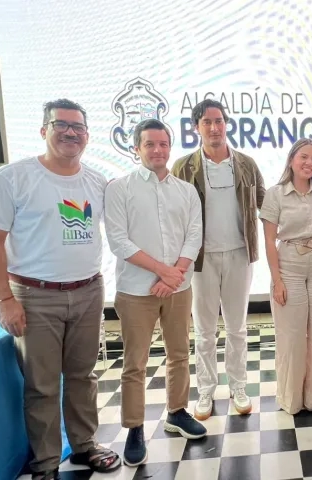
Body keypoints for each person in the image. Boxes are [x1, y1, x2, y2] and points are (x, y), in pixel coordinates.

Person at [0, 99, 120, 480]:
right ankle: (45, 464)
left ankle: (85, 445)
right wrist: (5, 299)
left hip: (89, 291)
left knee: (83, 375)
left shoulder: (95, 181)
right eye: (62, 125)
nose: (71, 132)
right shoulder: (12, 178)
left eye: (78, 127)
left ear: (87, 137)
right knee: (41, 385)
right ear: (44, 131)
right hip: (34, 295)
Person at [104, 119, 207, 466]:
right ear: (136, 148)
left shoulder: (186, 190)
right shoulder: (120, 188)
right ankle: (134, 427)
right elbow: (119, 241)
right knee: (135, 362)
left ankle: (177, 411)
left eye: (163, 144)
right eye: (150, 144)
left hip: (178, 287)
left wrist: (174, 275)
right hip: (136, 289)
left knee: (179, 353)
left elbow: (194, 235)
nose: (158, 150)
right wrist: (162, 271)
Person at [172, 99, 265, 420]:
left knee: (237, 328)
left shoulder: (246, 164)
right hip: (201, 260)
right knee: (205, 330)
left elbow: (265, 204)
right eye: (207, 122)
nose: (214, 128)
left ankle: (239, 387)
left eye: (219, 121)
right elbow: (173, 213)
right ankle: (206, 392)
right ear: (196, 128)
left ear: (227, 124)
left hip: (240, 254)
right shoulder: (183, 167)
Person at [260, 138, 312, 415]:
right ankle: (290, 399)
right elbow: (269, 241)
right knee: (291, 337)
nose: (309, 163)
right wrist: (277, 280)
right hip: (289, 265)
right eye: (303, 157)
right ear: (291, 160)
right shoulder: (276, 193)